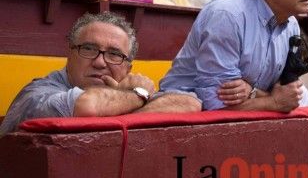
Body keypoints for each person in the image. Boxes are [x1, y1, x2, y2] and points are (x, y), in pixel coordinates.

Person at [158, 0, 308, 111]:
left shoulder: (291, 23)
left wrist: (254, 92)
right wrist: (273, 102)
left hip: (239, 119)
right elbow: (216, 103)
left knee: (305, 99)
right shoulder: (228, 16)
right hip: (180, 111)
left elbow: (286, 90)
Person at [0, 12, 201, 135]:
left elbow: (189, 103)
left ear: (128, 68)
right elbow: (87, 105)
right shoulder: (36, 92)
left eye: (114, 54)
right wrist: (137, 95)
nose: (99, 62)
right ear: (69, 55)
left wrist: (126, 104)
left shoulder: (124, 94)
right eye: (88, 49)